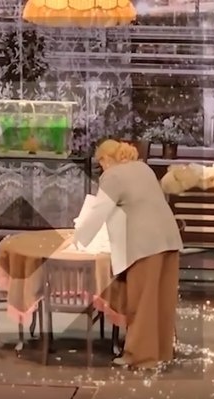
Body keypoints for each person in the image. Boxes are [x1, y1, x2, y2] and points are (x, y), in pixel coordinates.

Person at [72, 139, 183, 369]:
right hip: (169, 239)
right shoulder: (143, 168)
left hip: (144, 245)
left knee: (142, 302)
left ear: (106, 159)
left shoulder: (113, 176)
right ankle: (162, 351)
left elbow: (98, 212)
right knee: (161, 301)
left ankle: (139, 356)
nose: (101, 168)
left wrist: (78, 238)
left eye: (100, 162)